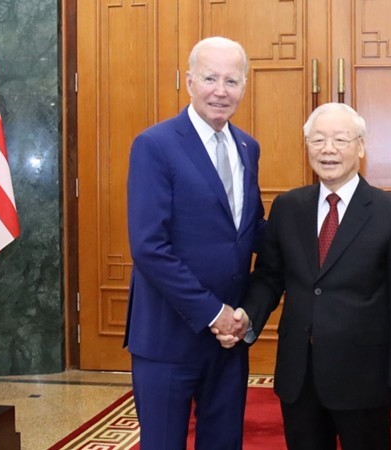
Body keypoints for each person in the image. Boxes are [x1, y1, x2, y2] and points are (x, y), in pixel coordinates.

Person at [217, 102, 391, 450]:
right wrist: (246, 317)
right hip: (299, 375)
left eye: (340, 140)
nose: (328, 150)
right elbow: (270, 276)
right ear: (307, 147)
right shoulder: (288, 207)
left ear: (360, 147)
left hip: (364, 378)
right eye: (318, 140)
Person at [124, 36, 265, 449]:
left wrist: (313, 236)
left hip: (228, 340)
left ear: (244, 86)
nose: (221, 91)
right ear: (188, 81)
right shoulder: (155, 145)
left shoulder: (247, 148)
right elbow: (149, 246)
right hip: (168, 336)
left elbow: (250, 227)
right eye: (210, 78)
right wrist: (212, 312)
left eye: (232, 81)